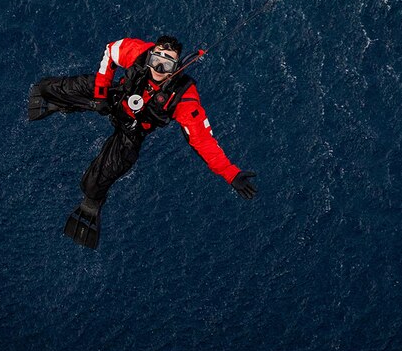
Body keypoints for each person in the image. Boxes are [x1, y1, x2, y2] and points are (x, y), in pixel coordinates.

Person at [28, 35, 257, 248]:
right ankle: (60, 102)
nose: (158, 68)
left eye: (166, 65)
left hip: (132, 131)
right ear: (150, 55)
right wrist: (100, 94)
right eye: (157, 60)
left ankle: (93, 203)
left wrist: (230, 173)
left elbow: (202, 139)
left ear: (176, 68)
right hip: (115, 98)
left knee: (93, 184)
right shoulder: (138, 52)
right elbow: (111, 51)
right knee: (48, 87)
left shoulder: (184, 97)